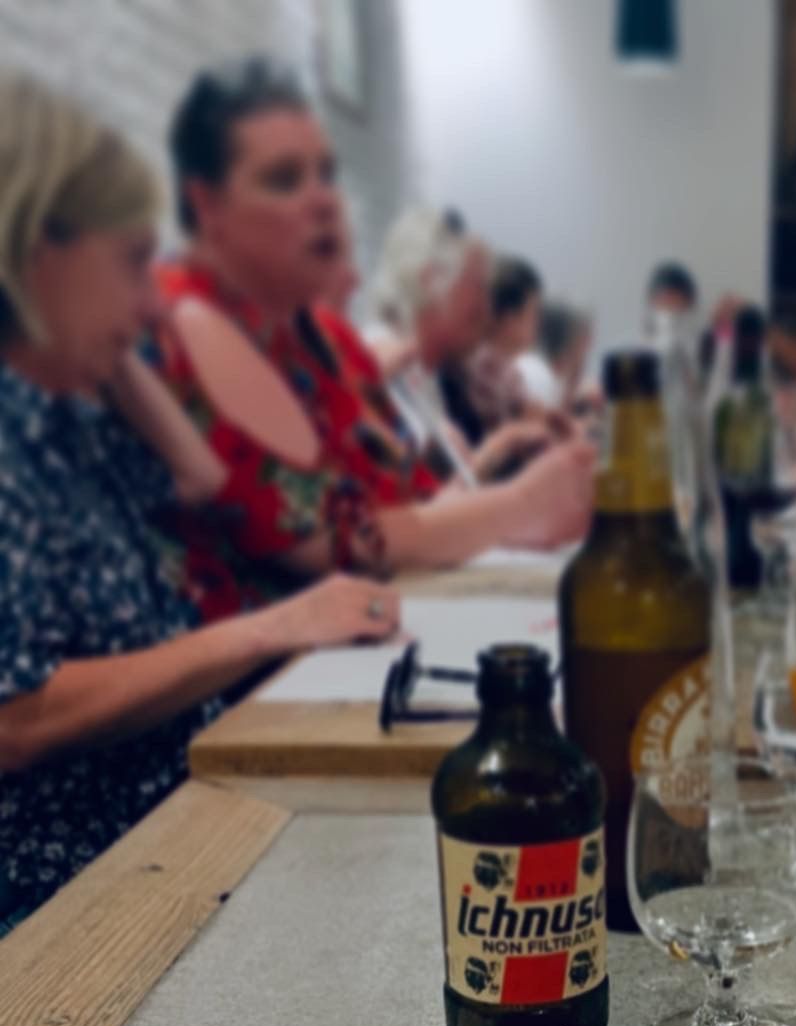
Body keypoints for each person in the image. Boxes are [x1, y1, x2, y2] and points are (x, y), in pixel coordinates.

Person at [0, 74, 400, 929]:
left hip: (164, 820)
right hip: (75, 885)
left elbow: (197, 478)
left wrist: (103, 346)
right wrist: (272, 627)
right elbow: (16, 717)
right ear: (40, 248)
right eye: (134, 263)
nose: (153, 302)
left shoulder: (60, 409)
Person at [150, 59, 592, 620]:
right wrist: (522, 504)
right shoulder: (185, 317)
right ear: (206, 205)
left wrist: (517, 474)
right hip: (258, 690)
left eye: (326, 174)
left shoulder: (315, 331)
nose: (324, 200)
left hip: (360, 642)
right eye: (285, 179)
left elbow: (413, 505)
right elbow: (337, 544)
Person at [368, 206, 554, 482]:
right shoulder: (383, 365)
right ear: (431, 281)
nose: (488, 308)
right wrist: (503, 443)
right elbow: (419, 506)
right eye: (479, 286)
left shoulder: (430, 373)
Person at [447, 255, 546, 445]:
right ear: (510, 319)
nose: (539, 325)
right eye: (534, 313)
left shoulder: (481, 359)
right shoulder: (494, 369)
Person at [515, 302, 593, 412]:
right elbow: (551, 424)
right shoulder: (536, 374)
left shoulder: (554, 376)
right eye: (584, 338)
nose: (589, 347)